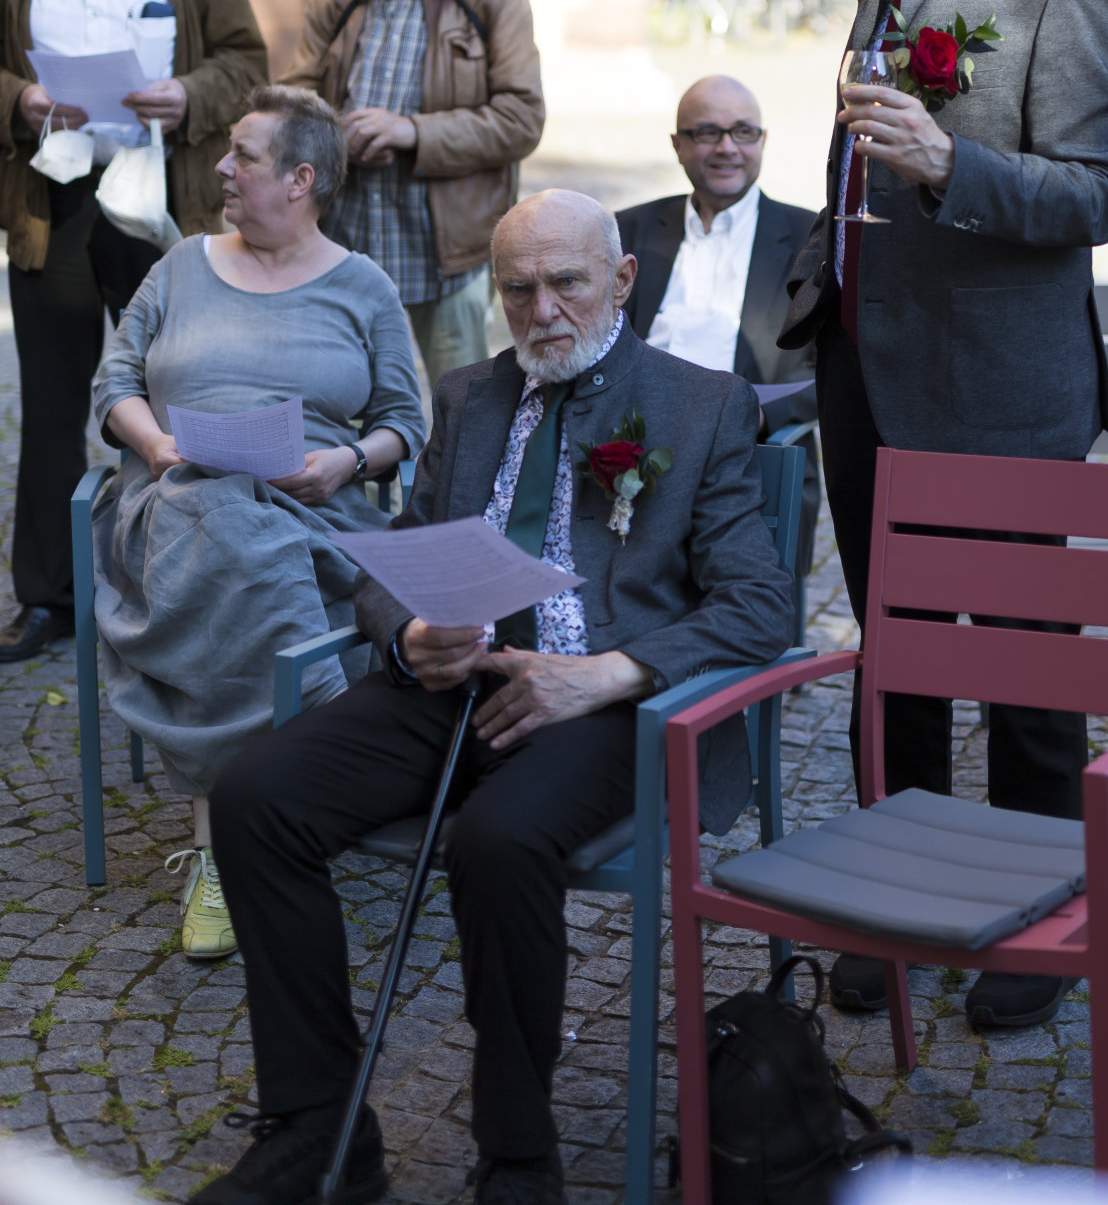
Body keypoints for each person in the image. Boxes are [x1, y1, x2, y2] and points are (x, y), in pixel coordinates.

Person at [202, 189, 794, 1205]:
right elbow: (392, 560)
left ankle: (518, 1154)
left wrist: (609, 674)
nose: (541, 311)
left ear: (619, 281)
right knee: (255, 798)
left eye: (565, 283)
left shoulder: (700, 407)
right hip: (456, 684)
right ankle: (316, 1130)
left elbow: (760, 606)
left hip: (611, 704)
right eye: (516, 289)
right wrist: (408, 632)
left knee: (499, 838)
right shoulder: (469, 395)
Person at [779, 0, 1108, 1031]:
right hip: (864, 373)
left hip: (1000, 393)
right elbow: (850, 152)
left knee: (1030, 674)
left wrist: (948, 163)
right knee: (897, 659)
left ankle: (1038, 925)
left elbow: (1100, 198)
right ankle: (897, 911)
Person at [92, 86, 426, 958]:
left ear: (301, 179)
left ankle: (231, 835)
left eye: (243, 154)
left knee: (252, 535)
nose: (221, 168)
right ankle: (272, 805)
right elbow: (113, 384)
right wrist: (158, 444)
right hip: (168, 501)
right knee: (224, 520)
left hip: (314, 511)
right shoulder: (178, 266)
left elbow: (407, 420)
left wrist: (345, 462)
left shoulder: (364, 286)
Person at [0, 0, 268, 663]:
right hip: (56, 198)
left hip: (167, 196)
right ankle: (49, 598)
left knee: (181, 391)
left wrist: (187, 93)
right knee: (50, 405)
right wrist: (24, 99)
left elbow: (245, 55)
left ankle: (189, 579)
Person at [282, 0, 545, 388]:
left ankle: (457, 478)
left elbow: (522, 119)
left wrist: (411, 132)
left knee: (462, 403)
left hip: (446, 251)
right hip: (343, 242)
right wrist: (339, 137)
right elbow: (297, 98)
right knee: (341, 396)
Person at [617, 73, 818, 580]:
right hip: (630, 451)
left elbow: (832, 363)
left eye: (743, 132)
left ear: (763, 142)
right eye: (707, 132)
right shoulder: (626, 230)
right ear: (678, 145)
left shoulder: (808, 236)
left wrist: (755, 416)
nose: (727, 148)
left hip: (749, 454)